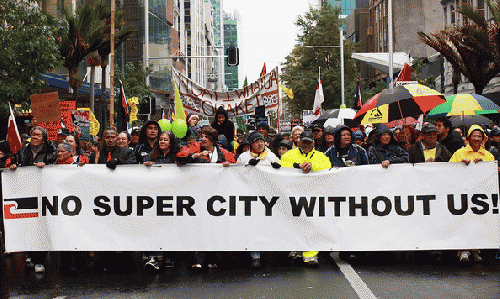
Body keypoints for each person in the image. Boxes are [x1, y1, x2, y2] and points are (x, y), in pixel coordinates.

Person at [176, 126, 236, 269]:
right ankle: (198, 260)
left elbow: (235, 166)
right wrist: (196, 155)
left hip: (217, 195)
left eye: (206, 136)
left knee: (214, 226)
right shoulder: (194, 148)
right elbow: (179, 159)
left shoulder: (223, 153)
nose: (202, 139)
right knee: (199, 226)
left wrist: (230, 166)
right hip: (198, 194)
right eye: (201, 136)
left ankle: (212, 259)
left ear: (213, 139)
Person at [10, 127, 57, 273]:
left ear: (44, 138)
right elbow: (17, 163)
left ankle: (40, 260)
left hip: (44, 193)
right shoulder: (23, 150)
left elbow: (55, 168)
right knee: (28, 224)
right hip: (27, 192)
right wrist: (13, 166)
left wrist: (46, 166)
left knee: (41, 225)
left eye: (38, 135)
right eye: (33, 134)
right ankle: (31, 254)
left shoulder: (51, 151)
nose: (34, 137)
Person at [281, 130, 331, 267]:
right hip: (294, 195)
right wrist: (298, 166)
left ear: (313, 143)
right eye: (304, 142)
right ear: (298, 142)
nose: (306, 145)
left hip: (314, 197)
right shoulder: (289, 155)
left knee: (313, 225)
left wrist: (312, 166)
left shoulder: (321, 156)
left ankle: (311, 255)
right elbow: (283, 168)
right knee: (296, 223)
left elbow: (327, 168)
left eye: (309, 142)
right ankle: (297, 251)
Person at [449, 125, 495, 263]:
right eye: (474, 136)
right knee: (463, 221)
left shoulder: (488, 155)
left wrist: (484, 164)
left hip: (481, 196)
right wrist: (460, 164)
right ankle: (463, 250)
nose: (476, 138)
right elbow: (448, 170)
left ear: (483, 139)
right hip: (463, 194)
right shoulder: (459, 153)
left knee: (478, 222)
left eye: (479, 136)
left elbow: (491, 172)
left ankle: (476, 250)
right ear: (468, 138)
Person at [237, 131, 280, 269]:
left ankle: (270, 252)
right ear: (251, 144)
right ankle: (255, 256)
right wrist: (247, 167)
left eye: (261, 140)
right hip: (250, 196)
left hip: (267, 198)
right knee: (252, 225)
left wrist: (277, 168)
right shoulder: (244, 157)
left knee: (267, 225)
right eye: (256, 142)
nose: (260, 143)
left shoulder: (271, 156)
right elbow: (235, 175)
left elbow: (282, 174)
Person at [142, 130, 181, 271]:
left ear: (171, 142)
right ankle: (153, 257)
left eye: (165, 139)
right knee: (154, 227)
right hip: (155, 197)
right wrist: (145, 165)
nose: (162, 142)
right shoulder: (152, 155)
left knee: (170, 227)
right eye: (161, 139)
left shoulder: (177, 156)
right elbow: (140, 164)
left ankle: (169, 256)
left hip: (172, 197)